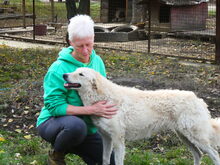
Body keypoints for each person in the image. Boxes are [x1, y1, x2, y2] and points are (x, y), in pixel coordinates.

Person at [36, 15, 117, 165]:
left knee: (111, 161)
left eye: (89, 44)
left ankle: (80, 146)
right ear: (70, 42)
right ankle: (57, 154)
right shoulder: (58, 69)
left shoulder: (97, 62)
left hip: (88, 128)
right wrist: (91, 110)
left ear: (93, 38)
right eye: (80, 46)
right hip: (55, 123)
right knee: (76, 127)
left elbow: (103, 92)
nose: (86, 51)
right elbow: (54, 106)